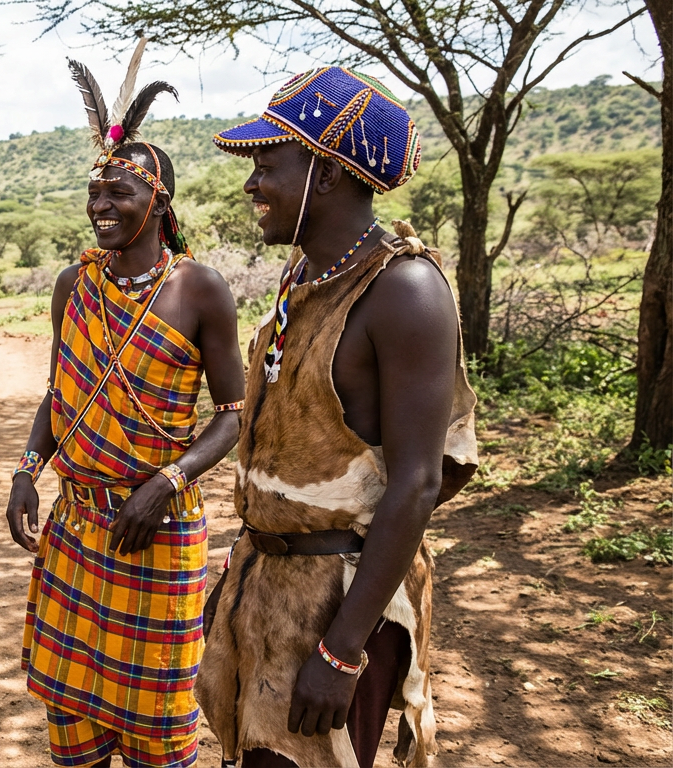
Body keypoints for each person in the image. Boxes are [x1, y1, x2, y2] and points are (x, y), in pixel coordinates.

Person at [195, 67, 480, 768]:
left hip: (345, 603)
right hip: (270, 592)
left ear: (325, 173)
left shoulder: (404, 290)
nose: (250, 184)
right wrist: (241, 572)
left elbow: (416, 483)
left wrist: (342, 648)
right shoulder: (303, 280)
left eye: (268, 165)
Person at [8, 45, 247, 768]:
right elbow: (60, 392)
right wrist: (27, 469)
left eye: (121, 193)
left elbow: (235, 411)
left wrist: (169, 482)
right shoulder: (72, 285)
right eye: (96, 191)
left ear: (160, 202)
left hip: (159, 530)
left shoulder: (199, 289)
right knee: (74, 723)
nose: (102, 206)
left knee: (158, 730)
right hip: (77, 525)